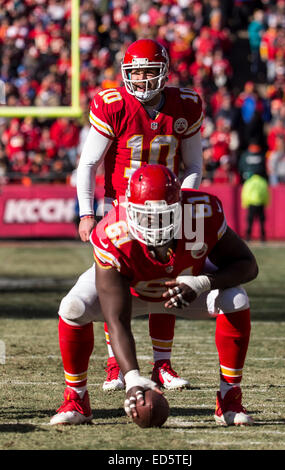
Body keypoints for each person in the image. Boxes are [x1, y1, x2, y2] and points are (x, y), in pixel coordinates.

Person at [50, 164, 258, 426]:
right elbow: (116, 319)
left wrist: (202, 282)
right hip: (133, 292)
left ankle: (229, 401)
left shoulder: (203, 212)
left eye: (164, 214)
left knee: (236, 299)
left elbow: (247, 265)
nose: (154, 224)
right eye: (144, 215)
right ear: (128, 209)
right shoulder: (111, 232)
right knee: (73, 307)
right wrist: (133, 377)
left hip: (185, 289)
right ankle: (77, 399)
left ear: (179, 206)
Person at [61, 39, 204, 396]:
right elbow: (89, 164)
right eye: (135, 71)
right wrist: (87, 213)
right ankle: (115, 365)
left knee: (167, 277)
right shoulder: (113, 104)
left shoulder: (184, 104)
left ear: (164, 72)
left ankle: (162, 364)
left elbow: (194, 165)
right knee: (116, 285)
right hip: (121, 207)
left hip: (166, 207)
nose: (141, 79)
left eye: (149, 71)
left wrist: (180, 201)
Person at [241, 172, 270, 242]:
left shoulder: (249, 182)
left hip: (251, 204)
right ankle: (263, 238)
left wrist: (245, 203)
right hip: (260, 203)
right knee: (262, 222)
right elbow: (266, 193)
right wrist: (266, 203)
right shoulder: (263, 182)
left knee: (250, 221)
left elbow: (245, 193)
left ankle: (248, 237)